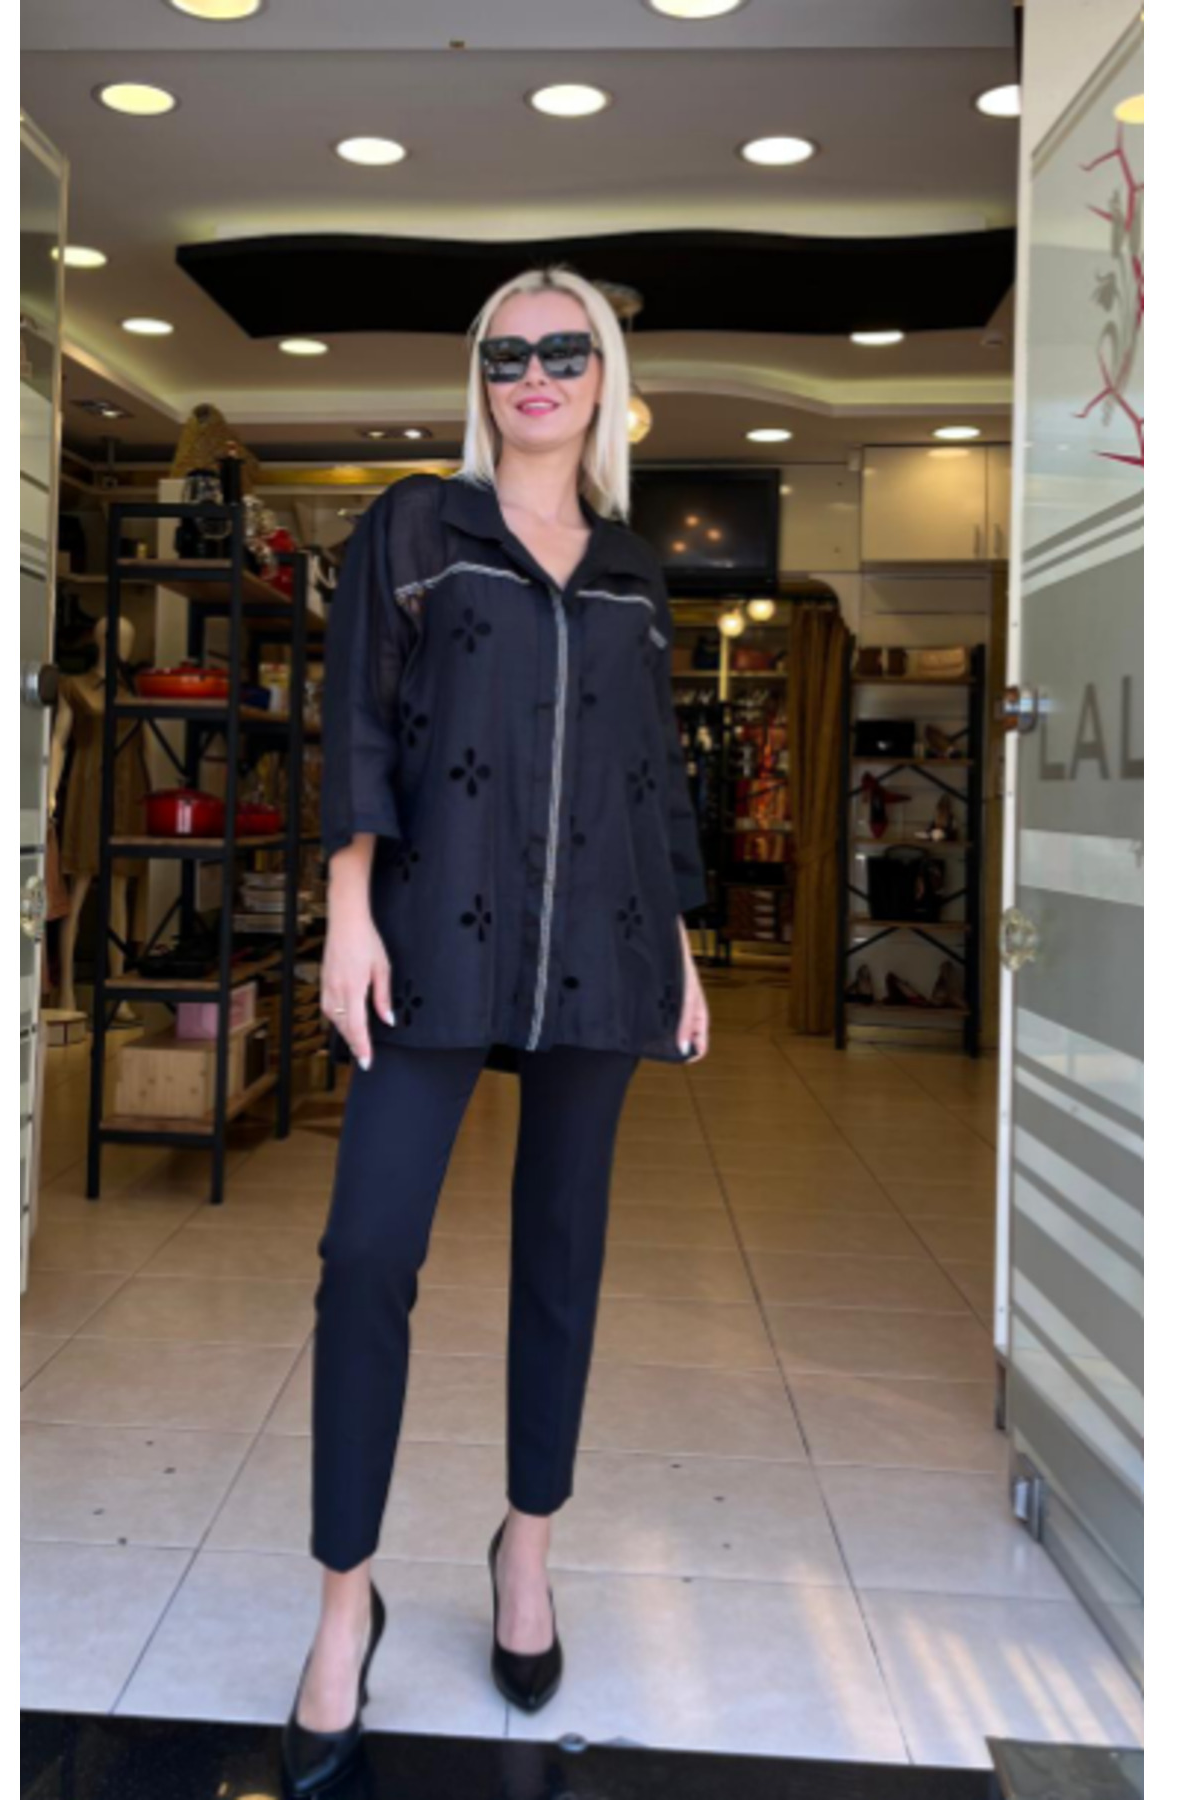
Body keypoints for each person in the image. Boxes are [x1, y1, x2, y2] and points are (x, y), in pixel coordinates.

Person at [283, 263, 711, 1795]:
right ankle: (346, 1604)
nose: (535, 373)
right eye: (508, 351)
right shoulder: (416, 528)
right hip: (430, 933)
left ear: (605, 379)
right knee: (365, 1255)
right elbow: (358, 723)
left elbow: (651, 777)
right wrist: (347, 911)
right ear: (481, 377)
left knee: (563, 1254)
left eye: (565, 351)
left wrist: (680, 943)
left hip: (601, 943)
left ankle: (526, 1547)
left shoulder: (637, 571)